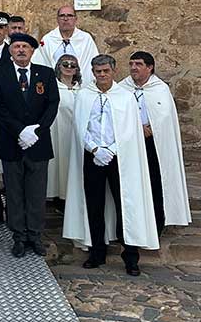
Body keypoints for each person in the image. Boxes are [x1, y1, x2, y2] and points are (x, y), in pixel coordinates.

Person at [63, 54, 160, 276]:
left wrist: (111, 150)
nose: (102, 75)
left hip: (120, 156)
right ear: (93, 72)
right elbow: (79, 127)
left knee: (124, 202)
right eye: (98, 72)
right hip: (92, 155)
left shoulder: (125, 97)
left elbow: (129, 130)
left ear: (113, 71)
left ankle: (130, 254)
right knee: (94, 203)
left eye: (106, 71)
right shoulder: (85, 95)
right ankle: (97, 250)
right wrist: (95, 149)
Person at [0, 33, 59, 258]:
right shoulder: (0, 74)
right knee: (14, 192)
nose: (20, 50)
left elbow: (52, 104)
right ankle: (19, 236)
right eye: (17, 46)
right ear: (10, 51)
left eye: (25, 47)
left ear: (32, 51)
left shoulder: (45, 74)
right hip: (12, 142)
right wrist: (20, 131)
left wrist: (36, 132)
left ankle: (35, 235)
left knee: (37, 192)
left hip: (38, 144)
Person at [120, 51, 191, 234]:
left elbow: (164, 117)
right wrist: (137, 127)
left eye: (138, 64)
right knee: (131, 183)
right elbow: (117, 113)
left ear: (149, 67)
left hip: (153, 143)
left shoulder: (160, 89)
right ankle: (131, 226)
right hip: (129, 143)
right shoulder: (122, 87)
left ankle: (156, 225)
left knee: (155, 182)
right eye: (131, 64)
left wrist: (150, 127)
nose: (133, 68)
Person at [47, 54, 82, 203]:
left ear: (77, 70)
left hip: (77, 134)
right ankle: (57, 196)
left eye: (72, 65)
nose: (69, 67)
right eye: (65, 64)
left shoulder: (82, 89)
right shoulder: (53, 87)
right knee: (58, 164)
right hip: (58, 132)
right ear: (58, 67)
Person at [34, 5, 99, 82]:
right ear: (57, 19)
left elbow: (93, 62)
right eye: (62, 16)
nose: (66, 19)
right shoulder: (48, 39)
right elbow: (39, 61)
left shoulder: (85, 39)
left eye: (70, 16)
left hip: (81, 85)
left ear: (76, 19)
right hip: (55, 85)